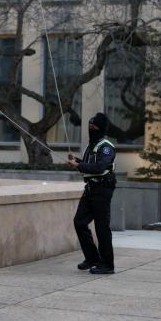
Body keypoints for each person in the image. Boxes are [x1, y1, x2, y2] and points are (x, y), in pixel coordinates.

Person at [68, 112, 117, 275]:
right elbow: (90, 164)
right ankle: (92, 258)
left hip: (102, 190)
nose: (91, 129)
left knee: (102, 228)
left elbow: (99, 168)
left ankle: (107, 264)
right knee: (79, 222)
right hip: (90, 189)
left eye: (94, 127)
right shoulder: (92, 145)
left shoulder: (106, 147)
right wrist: (78, 161)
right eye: (89, 127)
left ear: (101, 129)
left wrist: (78, 166)